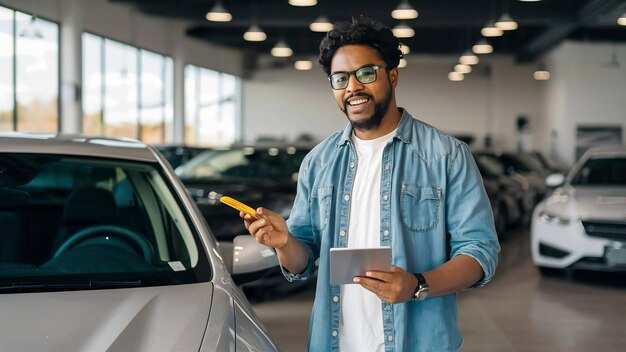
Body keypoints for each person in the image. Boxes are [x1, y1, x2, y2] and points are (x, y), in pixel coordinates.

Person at [241, 16, 500, 352]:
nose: (353, 88)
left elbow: (480, 252)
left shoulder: (446, 156)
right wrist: (284, 242)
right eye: (340, 79)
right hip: (334, 343)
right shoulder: (318, 162)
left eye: (366, 73)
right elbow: (302, 261)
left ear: (392, 75)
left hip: (418, 343)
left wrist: (418, 285)